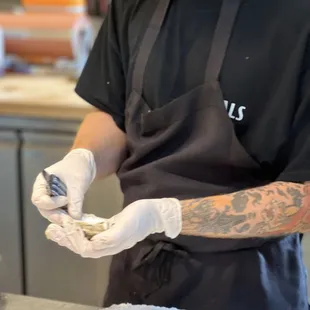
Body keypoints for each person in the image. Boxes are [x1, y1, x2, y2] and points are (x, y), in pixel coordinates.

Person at [31, 0, 310, 309]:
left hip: (250, 284)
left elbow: (305, 200)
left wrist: (166, 216)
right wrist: (82, 160)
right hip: (139, 272)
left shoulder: (298, 17)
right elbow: (114, 113)